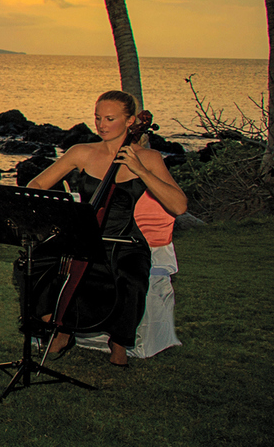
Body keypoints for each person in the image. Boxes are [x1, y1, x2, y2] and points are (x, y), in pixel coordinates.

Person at [26, 90, 187, 367]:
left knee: (131, 278)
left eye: (109, 118)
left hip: (127, 241)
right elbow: (36, 186)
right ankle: (62, 329)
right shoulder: (82, 152)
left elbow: (179, 206)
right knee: (35, 265)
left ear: (131, 121)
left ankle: (119, 341)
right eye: (97, 117)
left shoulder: (148, 159)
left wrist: (141, 171)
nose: (101, 125)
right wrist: (58, 214)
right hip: (85, 236)